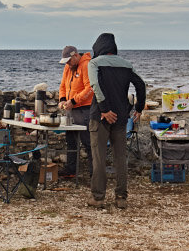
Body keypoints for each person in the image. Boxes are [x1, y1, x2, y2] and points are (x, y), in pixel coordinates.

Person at [86, 33, 146, 209]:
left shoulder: (94, 63)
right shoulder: (127, 65)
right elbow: (141, 85)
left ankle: (98, 198)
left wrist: (104, 109)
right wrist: (139, 108)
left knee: (99, 158)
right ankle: (121, 198)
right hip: (120, 116)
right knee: (120, 158)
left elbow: (95, 86)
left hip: (100, 116)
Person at [57, 45, 94, 178]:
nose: (67, 63)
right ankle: (71, 170)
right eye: (66, 61)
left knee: (88, 142)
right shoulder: (68, 66)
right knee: (71, 140)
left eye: (69, 60)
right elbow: (62, 85)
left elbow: (90, 89)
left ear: (75, 55)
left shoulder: (86, 65)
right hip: (71, 110)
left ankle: (94, 175)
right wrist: (62, 99)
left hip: (85, 109)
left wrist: (72, 101)